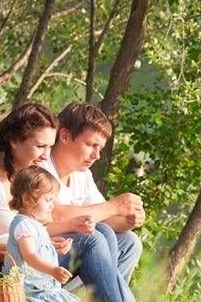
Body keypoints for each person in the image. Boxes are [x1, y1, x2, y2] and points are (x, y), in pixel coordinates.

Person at [0, 102, 162, 302]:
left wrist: (51, 237)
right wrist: (36, 245)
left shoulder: (29, 175)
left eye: (49, 146)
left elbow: (40, 224)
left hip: (30, 259)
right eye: (40, 146)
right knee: (91, 242)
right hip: (0, 272)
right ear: (14, 141)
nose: (46, 155)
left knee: (104, 233)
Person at [43, 102, 144, 284]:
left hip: (73, 255)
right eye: (91, 145)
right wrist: (114, 206)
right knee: (98, 234)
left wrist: (128, 220)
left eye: (100, 148)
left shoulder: (83, 175)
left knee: (130, 242)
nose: (96, 155)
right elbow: (55, 214)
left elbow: (104, 216)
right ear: (64, 136)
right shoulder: (41, 168)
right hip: (47, 256)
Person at [5, 165, 77, 302]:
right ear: (27, 199)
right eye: (48, 200)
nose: (52, 206)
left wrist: (53, 247)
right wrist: (53, 270)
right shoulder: (24, 225)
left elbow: (36, 247)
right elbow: (30, 255)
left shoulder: (33, 224)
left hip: (40, 287)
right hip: (29, 290)